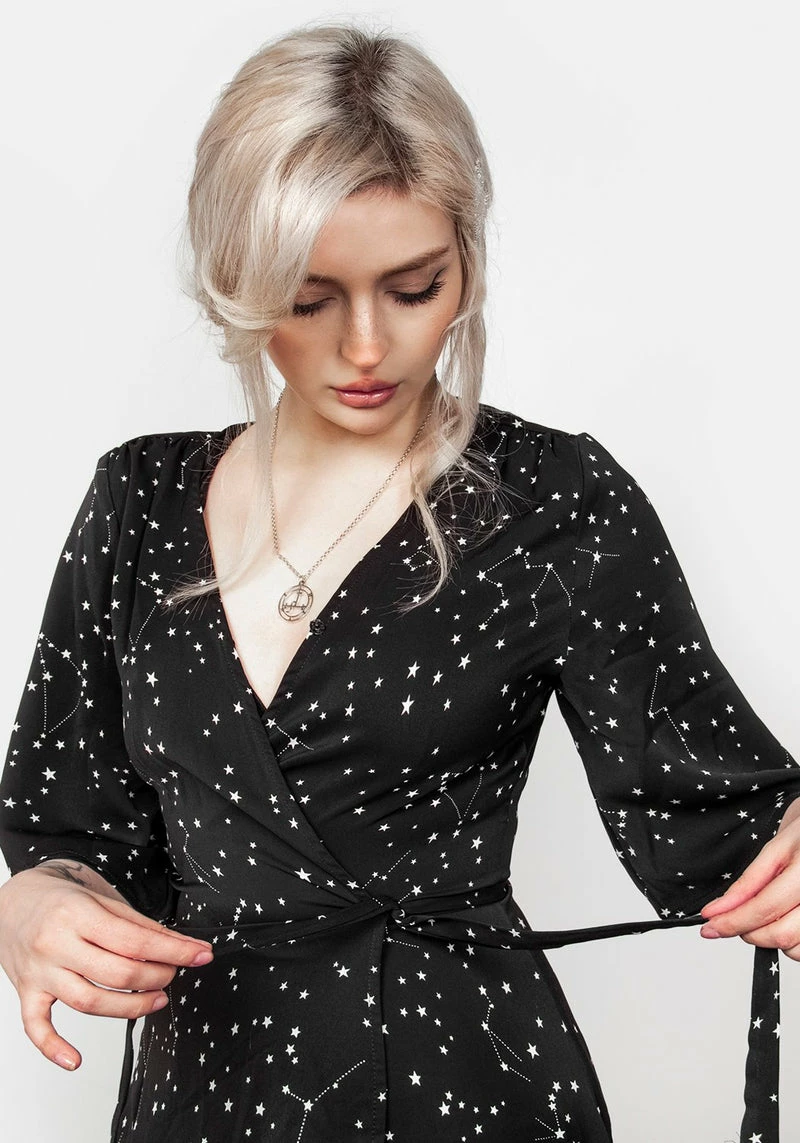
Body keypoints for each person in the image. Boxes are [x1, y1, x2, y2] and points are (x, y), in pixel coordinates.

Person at [0, 21, 798, 1143]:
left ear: (465, 261)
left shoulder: (555, 500)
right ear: (234, 276)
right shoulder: (137, 501)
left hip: (466, 1088)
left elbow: (726, 828)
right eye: (309, 298)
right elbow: (67, 826)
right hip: (203, 1099)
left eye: (414, 288)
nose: (367, 347)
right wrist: (32, 906)